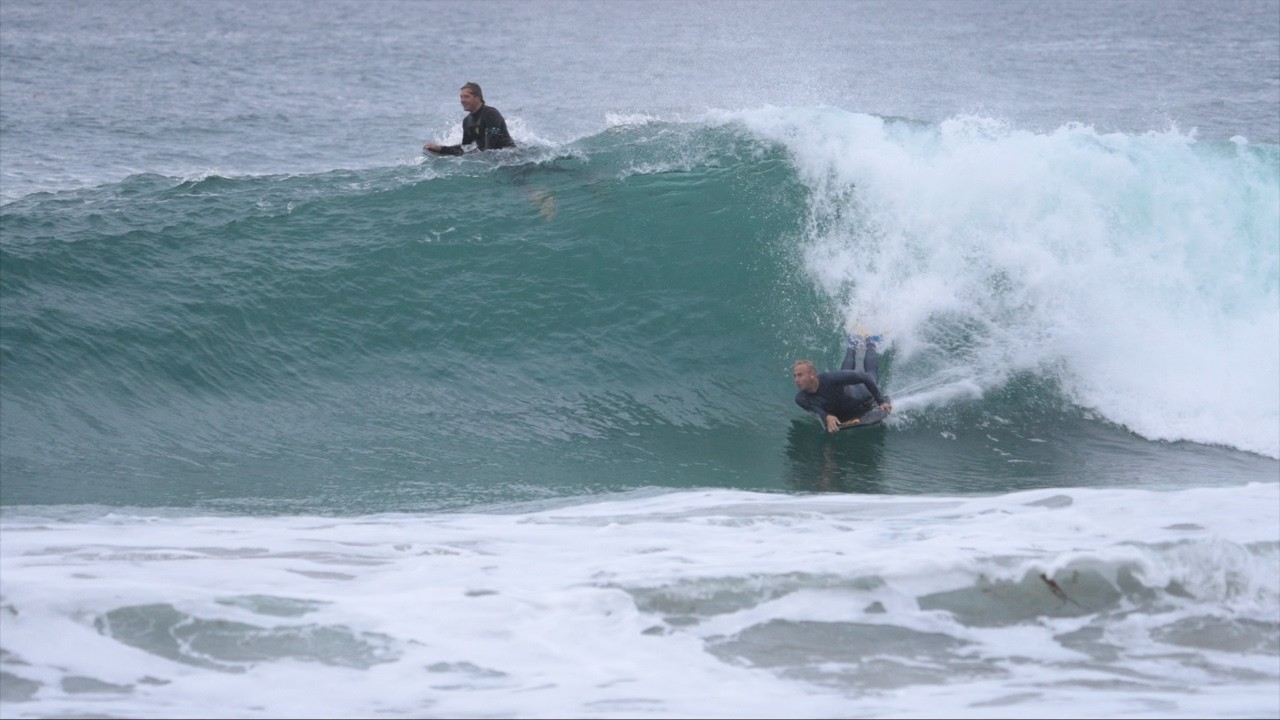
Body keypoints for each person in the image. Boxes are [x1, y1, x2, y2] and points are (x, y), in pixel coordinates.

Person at [793, 333, 893, 433]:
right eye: (795, 376)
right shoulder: (801, 399)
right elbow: (817, 409)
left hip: (861, 394)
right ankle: (852, 344)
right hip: (843, 398)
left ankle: (871, 343)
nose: (796, 380)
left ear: (812, 375)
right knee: (844, 373)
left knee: (871, 375)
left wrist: (881, 401)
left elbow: (865, 378)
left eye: (800, 375)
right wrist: (827, 416)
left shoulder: (829, 379)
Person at [424, 82, 516, 155]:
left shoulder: (490, 113)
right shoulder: (467, 122)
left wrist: (472, 155)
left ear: (478, 98)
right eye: (461, 97)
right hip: (491, 159)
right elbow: (465, 149)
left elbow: (490, 147)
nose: (462, 100)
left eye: (466, 97)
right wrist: (441, 149)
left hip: (509, 157)